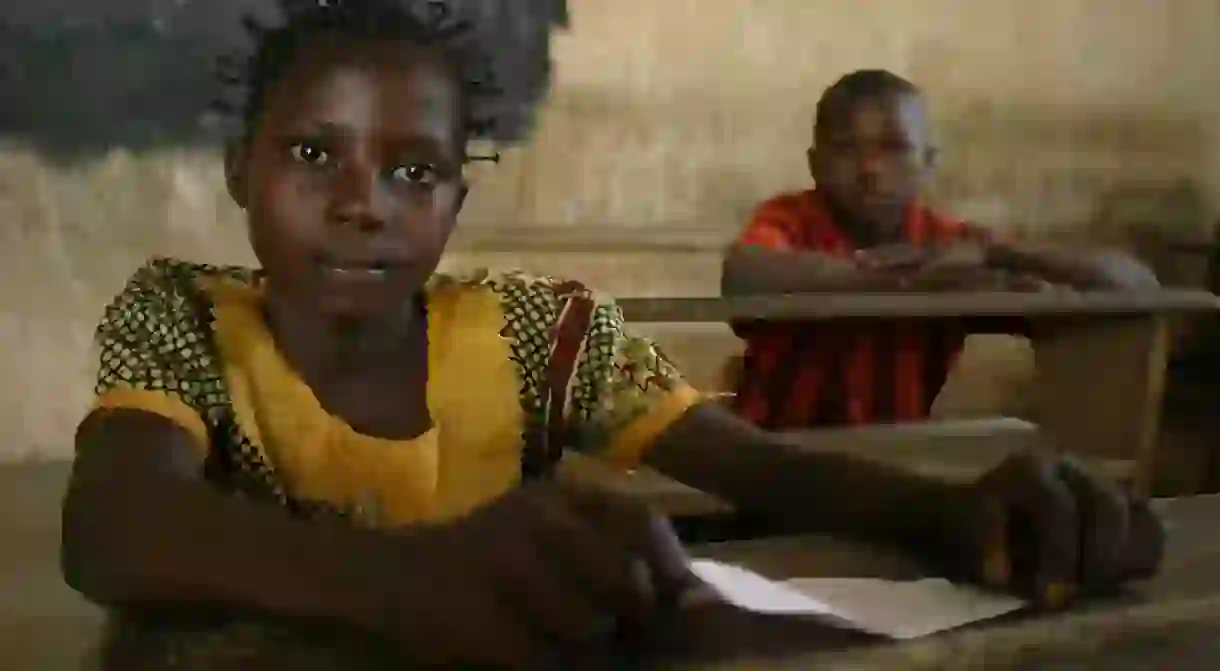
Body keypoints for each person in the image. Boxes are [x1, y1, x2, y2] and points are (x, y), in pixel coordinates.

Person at [60, 6, 1163, 668]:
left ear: (452, 196)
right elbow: (116, 521)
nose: (363, 203)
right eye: (312, 155)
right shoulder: (185, 314)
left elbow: (756, 465)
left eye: (413, 169)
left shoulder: (537, 329)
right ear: (237, 170)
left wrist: (949, 512)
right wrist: (402, 577)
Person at [721, 69, 1160, 430]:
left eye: (894, 149)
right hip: (774, 463)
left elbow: (1138, 286)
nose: (871, 169)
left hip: (894, 464)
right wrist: (907, 283)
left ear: (927, 162)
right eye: (846, 149)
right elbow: (744, 275)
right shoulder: (791, 218)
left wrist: (1002, 256)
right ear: (815, 164)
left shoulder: (952, 244)